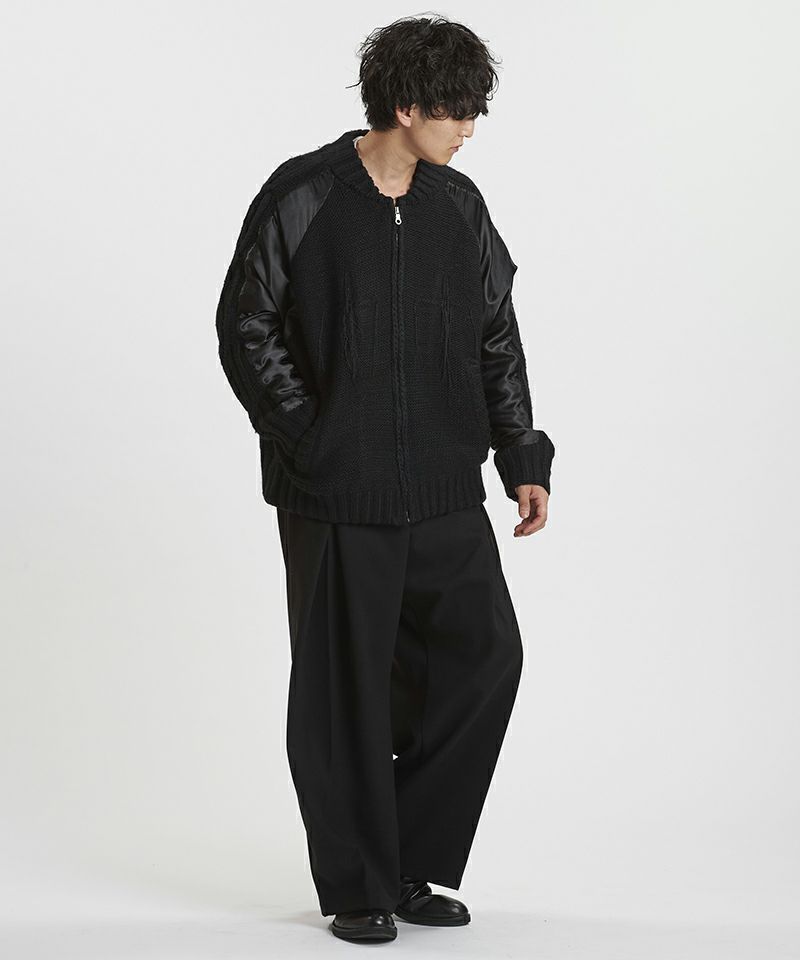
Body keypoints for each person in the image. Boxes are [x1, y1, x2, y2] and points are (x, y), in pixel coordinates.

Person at [215, 14, 556, 944]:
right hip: (336, 494)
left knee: (484, 659)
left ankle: (403, 860)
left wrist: (519, 452)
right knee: (346, 692)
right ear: (407, 106)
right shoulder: (304, 194)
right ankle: (359, 884)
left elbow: (495, 331)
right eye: (458, 111)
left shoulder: (459, 204)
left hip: (444, 486)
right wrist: (312, 439)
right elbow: (245, 325)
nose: (470, 128)